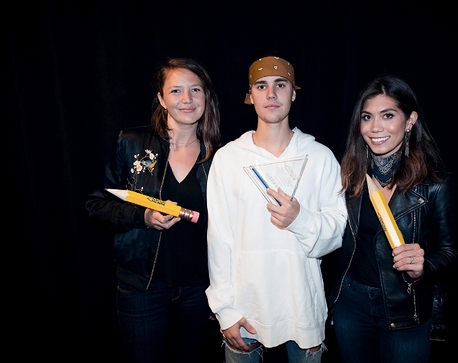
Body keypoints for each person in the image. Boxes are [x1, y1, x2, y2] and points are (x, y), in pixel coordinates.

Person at [205, 55, 347, 363]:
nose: (271, 94)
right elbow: (219, 240)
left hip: (302, 308)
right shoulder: (228, 159)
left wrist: (300, 219)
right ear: (250, 95)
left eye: (280, 85)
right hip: (244, 309)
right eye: (261, 86)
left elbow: (337, 232)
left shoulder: (320, 157)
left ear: (293, 93)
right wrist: (225, 311)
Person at [85, 58, 221, 363]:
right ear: (161, 98)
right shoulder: (132, 142)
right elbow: (97, 204)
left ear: (206, 97)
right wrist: (143, 216)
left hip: (199, 290)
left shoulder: (220, 156)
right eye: (176, 91)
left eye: (195, 90)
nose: (186, 99)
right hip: (141, 288)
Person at [323, 75, 458, 363]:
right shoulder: (348, 176)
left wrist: (424, 265)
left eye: (388, 115)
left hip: (405, 310)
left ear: (410, 120)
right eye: (367, 117)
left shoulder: (434, 183)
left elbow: (451, 251)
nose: (375, 128)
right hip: (351, 304)